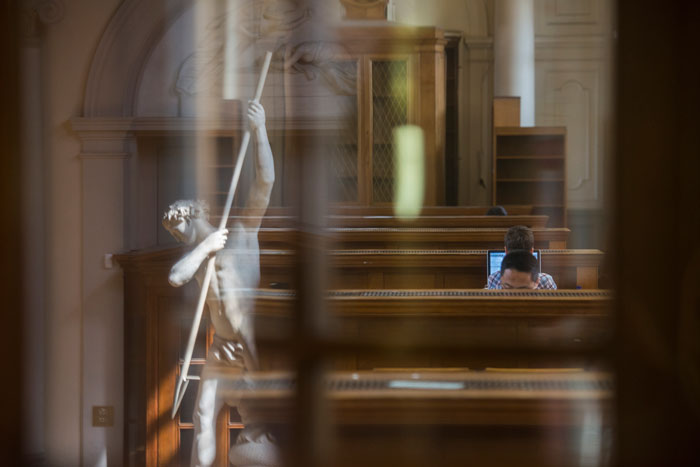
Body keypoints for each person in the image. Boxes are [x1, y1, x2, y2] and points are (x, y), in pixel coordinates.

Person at [163, 101, 278, 467]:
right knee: (201, 415)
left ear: (190, 214)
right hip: (222, 346)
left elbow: (265, 181)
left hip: (249, 343)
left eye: (173, 224)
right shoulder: (197, 258)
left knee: (260, 423)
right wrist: (205, 247)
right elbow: (174, 276)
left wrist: (259, 129)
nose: (171, 230)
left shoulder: (243, 231)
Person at [485, 225, 557, 289]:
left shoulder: (493, 279)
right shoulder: (547, 281)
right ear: (532, 251)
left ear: (506, 251)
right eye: (508, 287)